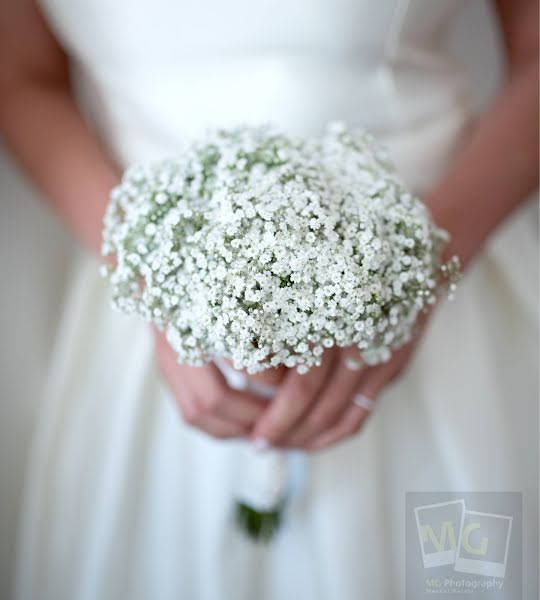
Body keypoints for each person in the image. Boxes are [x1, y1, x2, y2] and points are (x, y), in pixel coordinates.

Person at [0, 0, 537, 598]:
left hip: (434, 304)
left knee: (449, 572)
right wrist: (155, 280)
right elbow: (20, 76)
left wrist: (411, 272)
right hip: (152, 330)